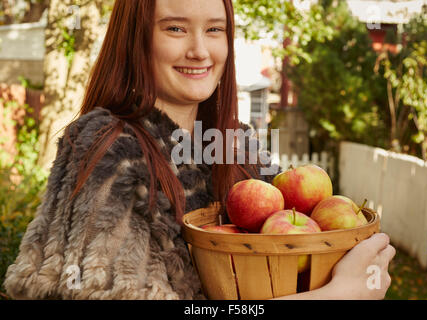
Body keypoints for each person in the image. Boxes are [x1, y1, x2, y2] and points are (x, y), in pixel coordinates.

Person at [4, 0, 395, 300]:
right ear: (137, 38)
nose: (199, 50)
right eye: (175, 28)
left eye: (214, 29)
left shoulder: (241, 149)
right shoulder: (108, 145)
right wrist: (338, 295)